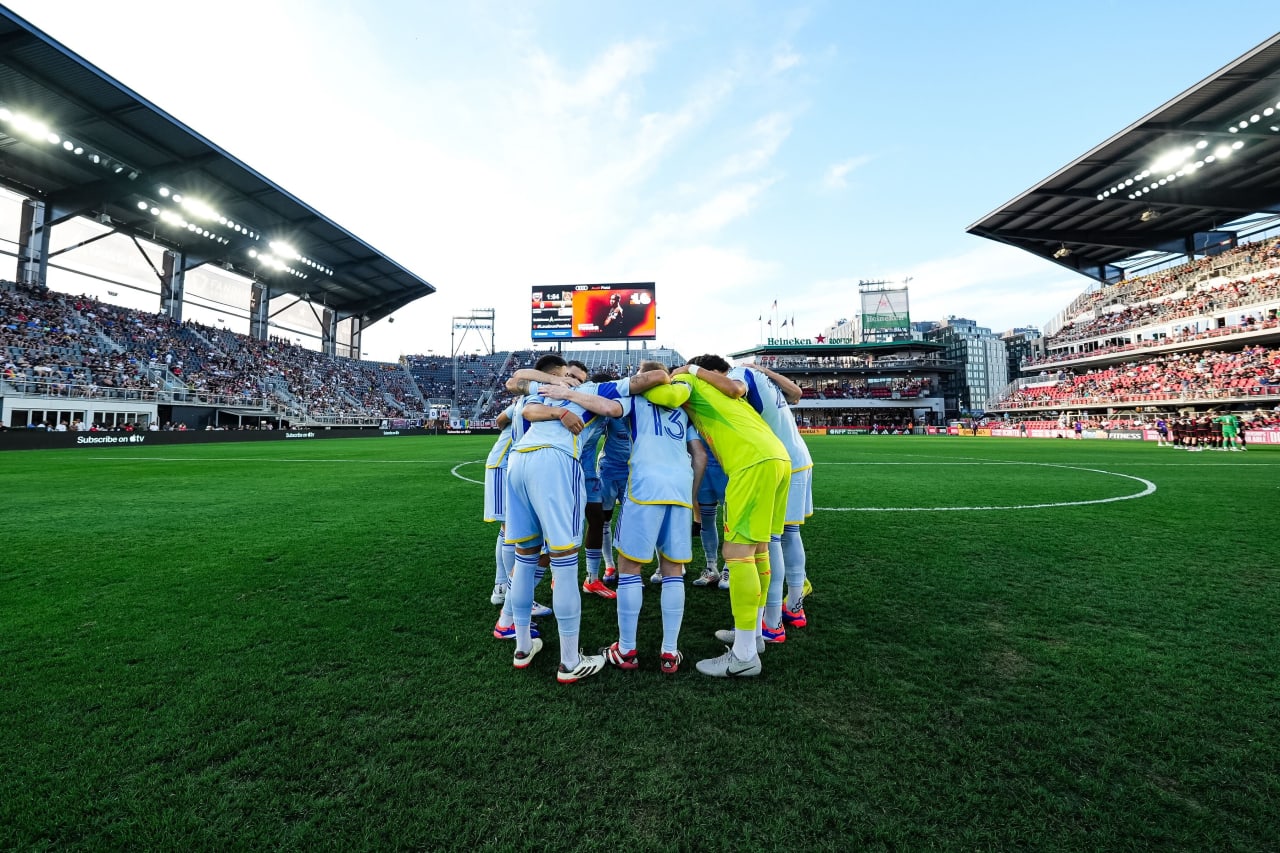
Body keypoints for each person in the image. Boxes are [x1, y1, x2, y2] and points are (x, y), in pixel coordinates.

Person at [502, 366, 667, 683]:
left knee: (525, 559)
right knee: (563, 564)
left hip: (519, 461)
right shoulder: (597, 390)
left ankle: (522, 647)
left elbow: (517, 386)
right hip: (555, 462)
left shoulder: (550, 392)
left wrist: (555, 385)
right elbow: (655, 378)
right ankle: (569, 661)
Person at [540, 361, 705, 674]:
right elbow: (701, 456)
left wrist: (570, 395)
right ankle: (670, 653)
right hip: (680, 488)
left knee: (629, 569)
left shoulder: (634, 401)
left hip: (644, 487)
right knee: (673, 571)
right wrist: (693, 496)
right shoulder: (683, 410)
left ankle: (627, 650)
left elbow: (606, 408)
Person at [648, 355, 789, 678]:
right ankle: (751, 636)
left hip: (750, 463)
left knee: (737, 555)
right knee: (759, 550)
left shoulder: (687, 381)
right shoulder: (721, 388)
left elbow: (666, 396)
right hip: (775, 458)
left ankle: (743, 657)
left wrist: (639, 385)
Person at [730, 362, 813, 642]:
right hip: (799, 457)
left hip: (780, 459)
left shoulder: (737, 375)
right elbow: (796, 392)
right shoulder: (759, 376)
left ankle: (773, 622)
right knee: (790, 533)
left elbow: (734, 390)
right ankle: (794, 608)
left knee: (772, 539)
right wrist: (763, 370)